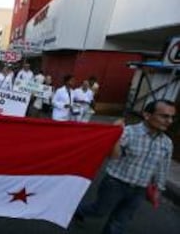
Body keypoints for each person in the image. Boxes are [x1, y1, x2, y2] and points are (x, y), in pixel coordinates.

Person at [74, 100, 176, 234]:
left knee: (120, 221)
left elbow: (162, 167)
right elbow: (113, 156)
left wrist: (158, 188)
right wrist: (116, 134)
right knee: (99, 211)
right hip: (115, 184)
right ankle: (78, 211)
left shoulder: (167, 143)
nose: (169, 121)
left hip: (139, 189)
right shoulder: (129, 132)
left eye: (172, 117)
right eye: (164, 116)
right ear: (147, 115)